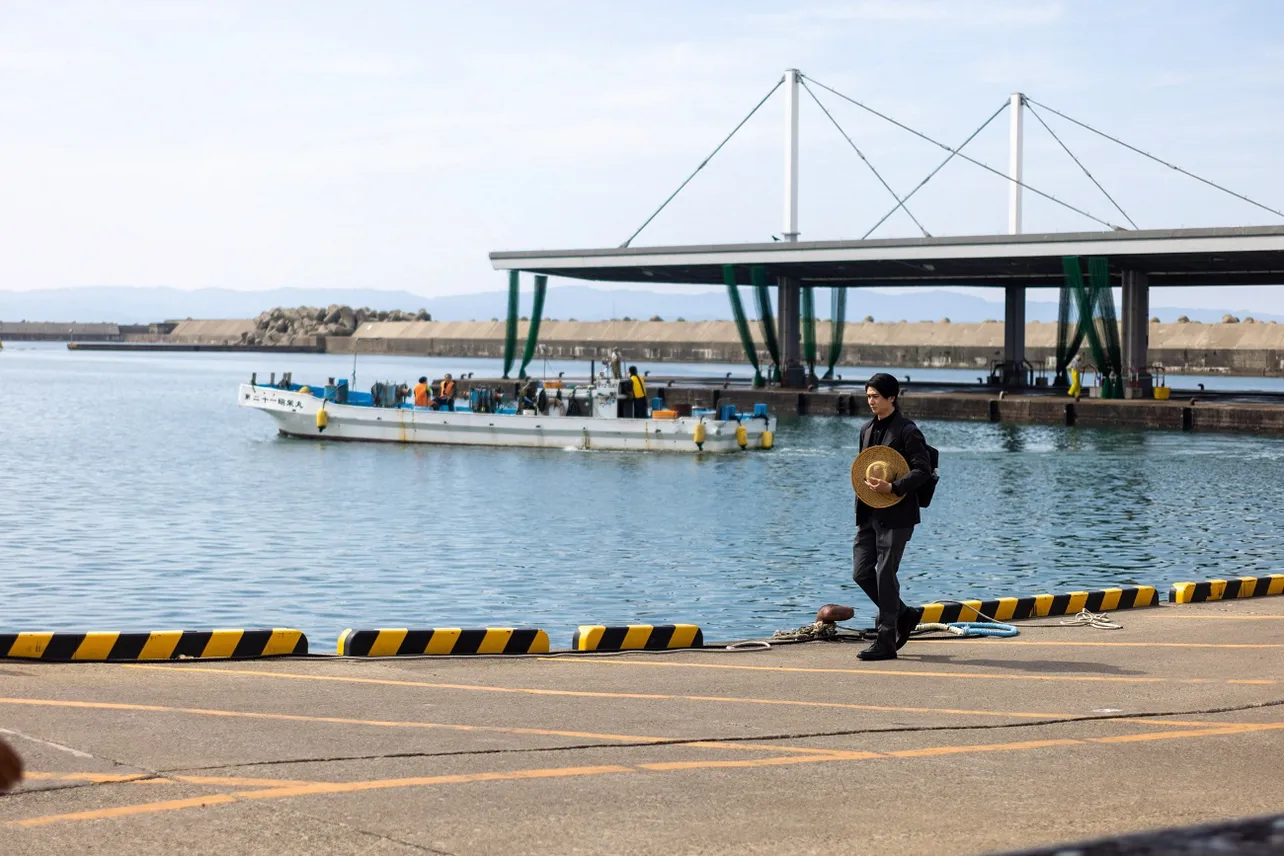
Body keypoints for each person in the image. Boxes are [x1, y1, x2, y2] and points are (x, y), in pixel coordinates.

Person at [853, 372, 932, 661]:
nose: (871, 401)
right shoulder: (864, 429)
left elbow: (923, 470)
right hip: (869, 512)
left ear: (892, 398)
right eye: (869, 396)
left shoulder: (907, 431)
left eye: (876, 396)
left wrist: (894, 486)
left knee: (885, 574)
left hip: (898, 514)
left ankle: (886, 640)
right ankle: (904, 614)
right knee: (861, 572)